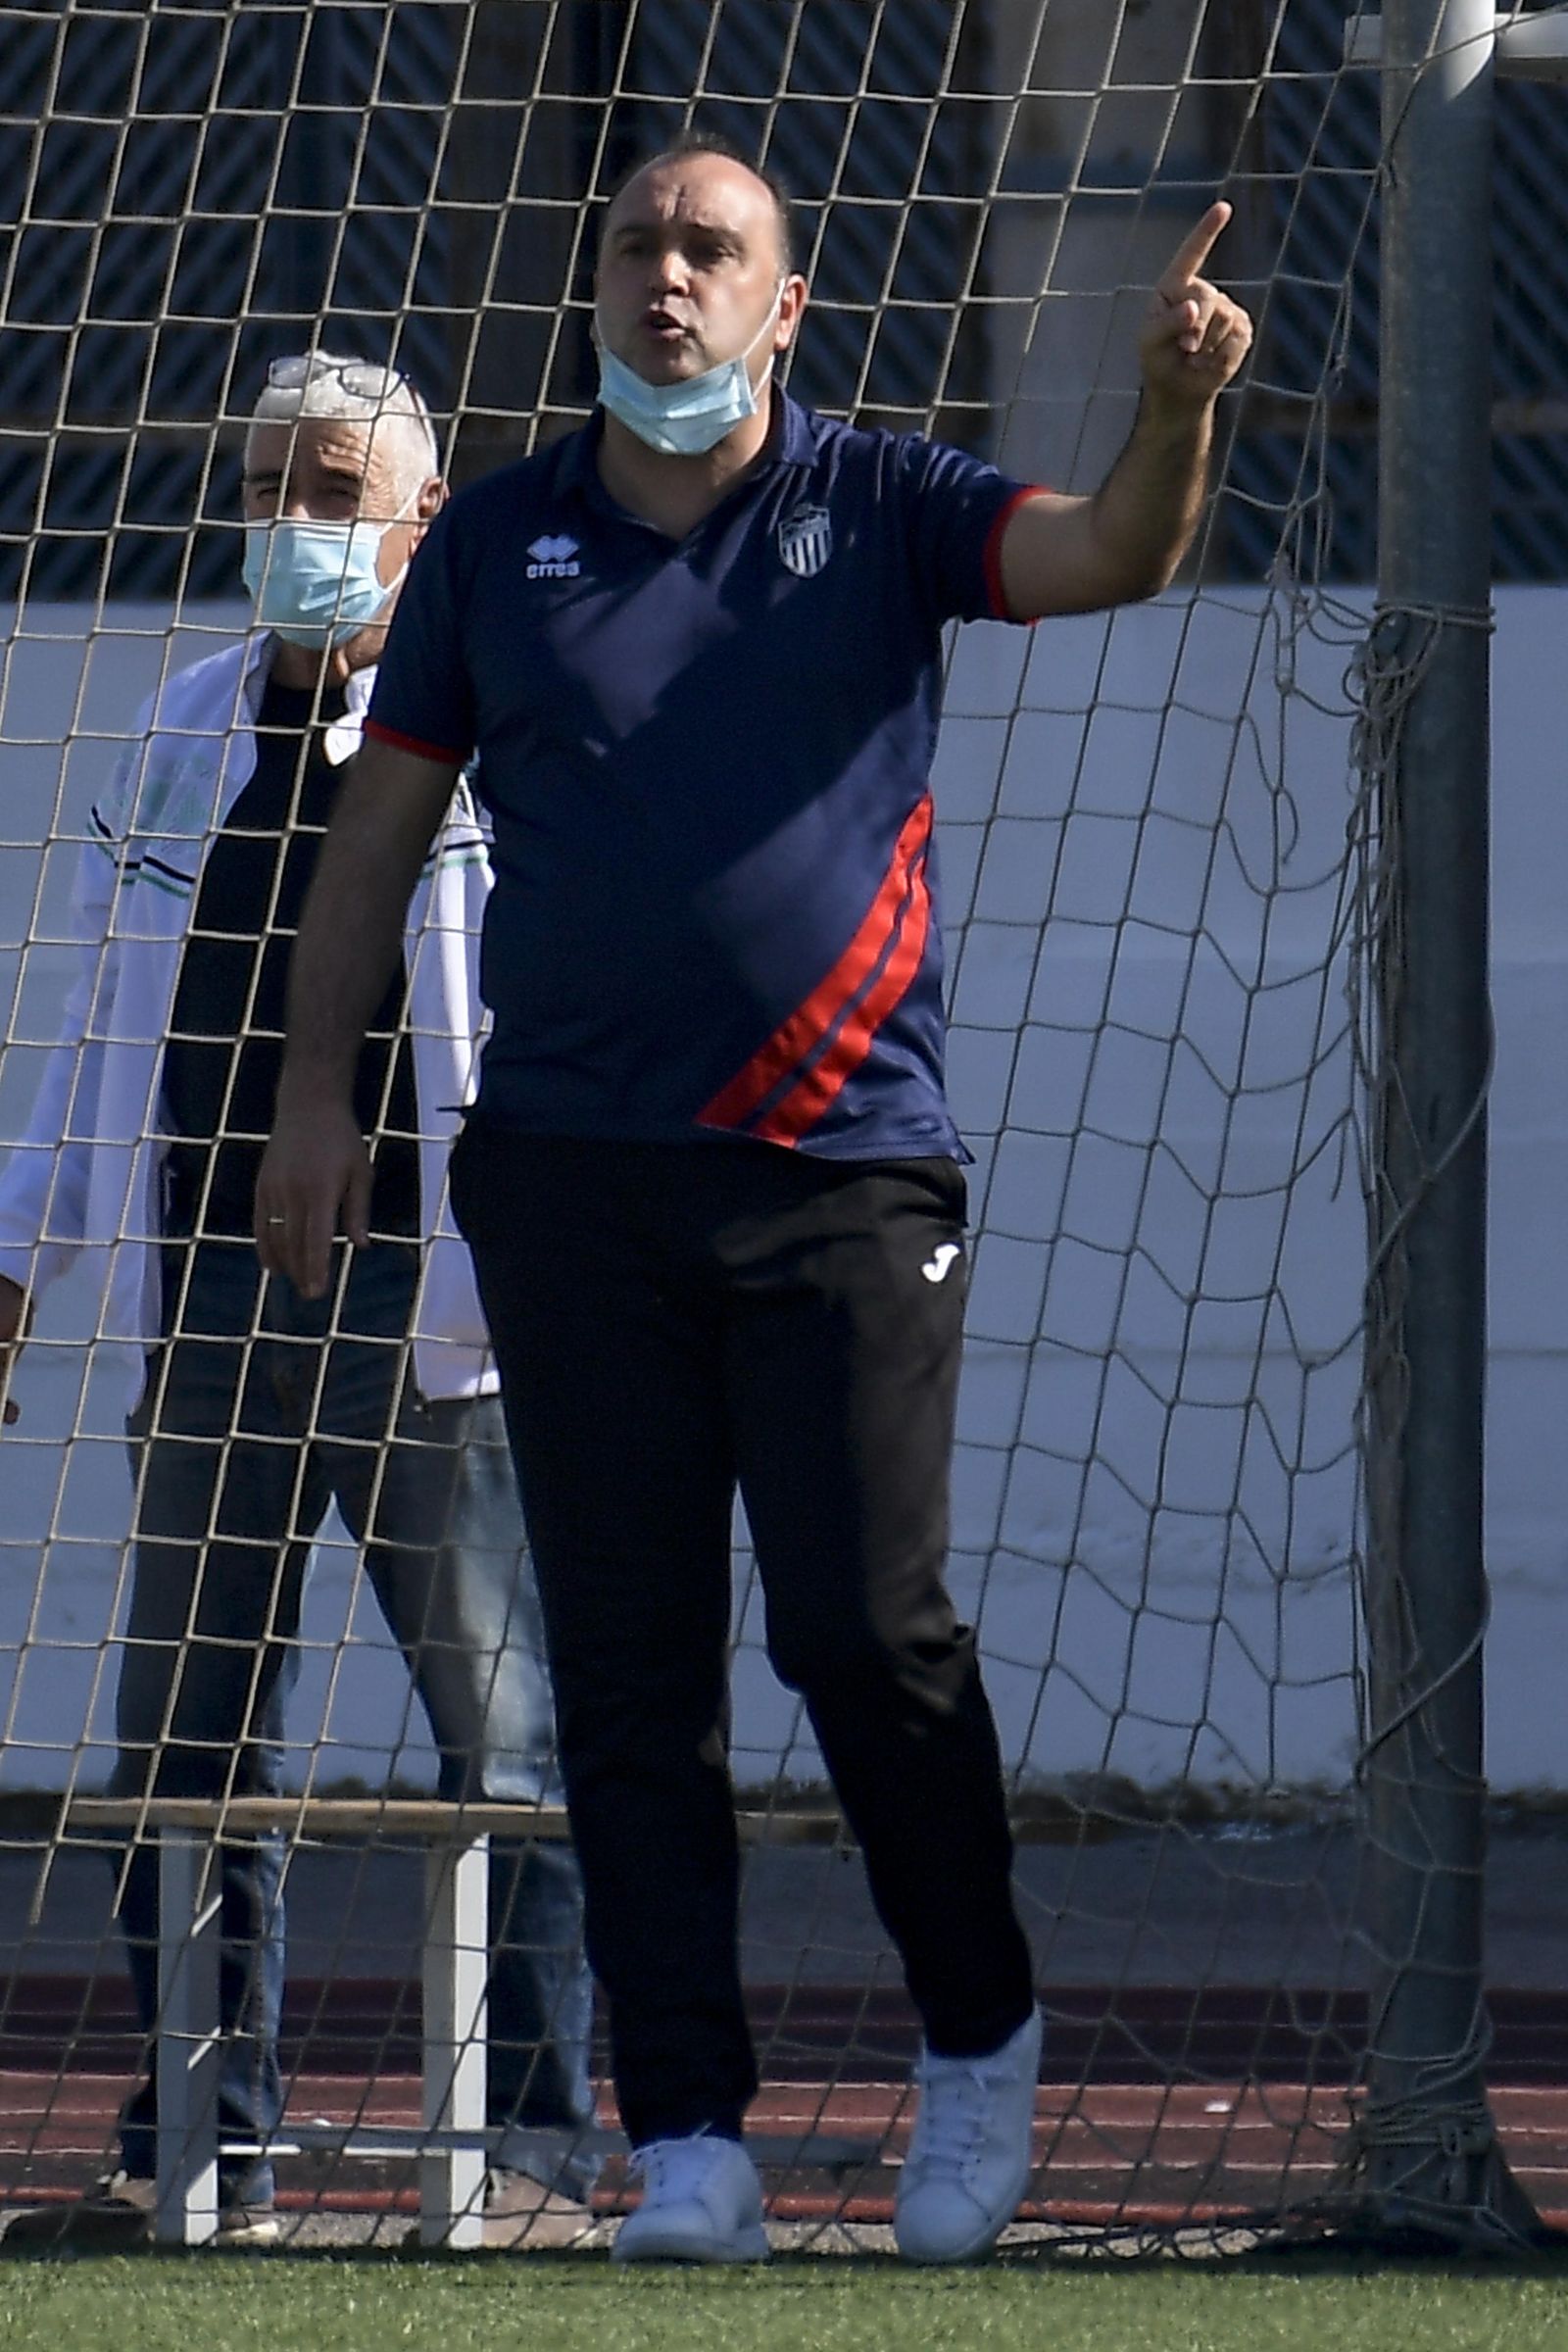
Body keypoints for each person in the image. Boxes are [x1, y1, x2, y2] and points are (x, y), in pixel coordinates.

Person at [257, 140, 1254, 2266]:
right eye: (635, 246)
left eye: (713, 252)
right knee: (626, 1676)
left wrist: (1171, 416)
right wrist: (319, 1090)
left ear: (780, 309)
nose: (668, 279)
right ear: (595, 290)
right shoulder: (499, 539)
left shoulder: (883, 508)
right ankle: (688, 2133)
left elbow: (1106, 558)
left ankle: (974, 2047)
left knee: (861, 1636)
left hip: (841, 1181)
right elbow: (372, 844)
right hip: (566, 1184)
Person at [0, 354, 598, 2252]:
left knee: (502, 1742)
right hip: (214, 1316)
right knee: (181, 1747)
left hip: (439, 1330)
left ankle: (531, 2147)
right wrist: (22, 1254)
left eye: (334, 492)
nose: (294, 526)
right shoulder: (175, 730)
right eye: (268, 486)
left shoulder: (501, 730)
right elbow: (98, 1020)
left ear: (419, 526)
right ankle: (203, 2138)